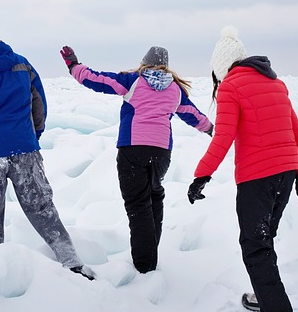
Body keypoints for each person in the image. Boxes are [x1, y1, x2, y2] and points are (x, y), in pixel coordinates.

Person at [0, 14, 94, 280]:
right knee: (42, 209)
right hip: (25, 150)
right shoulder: (22, 64)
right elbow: (39, 103)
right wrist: (33, 135)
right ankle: (72, 263)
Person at [187, 26, 298, 312]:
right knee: (263, 239)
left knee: (254, 244)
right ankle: (265, 294)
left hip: (257, 177)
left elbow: (224, 137)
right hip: (284, 174)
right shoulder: (276, 84)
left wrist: (201, 175)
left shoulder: (231, 86)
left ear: (220, 66)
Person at [60, 45, 214, 274]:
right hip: (161, 153)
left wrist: (73, 65)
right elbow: (194, 116)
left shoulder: (133, 80)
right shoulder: (175, 90)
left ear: (144, 62)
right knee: (154, 197)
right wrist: (213, 129)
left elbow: (96, 80)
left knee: (138, 206)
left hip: (133, 149)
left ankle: (144, 266)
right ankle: (150, 255)